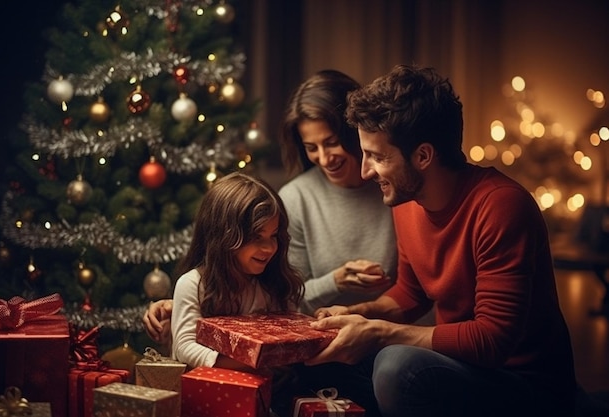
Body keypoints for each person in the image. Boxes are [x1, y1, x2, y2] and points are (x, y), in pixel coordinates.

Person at [305, 64, 577, 417]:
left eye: (377, 156)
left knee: (396, 366)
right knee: (319, 355)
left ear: (423, 156)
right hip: (462, 366)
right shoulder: (407, 200)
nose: (365, 171)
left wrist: (380, 333)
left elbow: (491, 341)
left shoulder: (502, 205)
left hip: (525, 385)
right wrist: (357, 315)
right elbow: (411, 293)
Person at [143, 70, 398, 343]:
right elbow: (282, 298)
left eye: (332, 143)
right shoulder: (296, 198)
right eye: (311, 147)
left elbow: (416, 292)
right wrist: (335, 281)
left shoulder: (395, 189)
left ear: (356, 131)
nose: (324, 159)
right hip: (327, 346)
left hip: (393, 336)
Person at [169, 171, 304, 372]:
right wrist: (252, 362)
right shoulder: (193, 284)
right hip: (210, 392)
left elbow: (292, 339)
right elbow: (184, 347)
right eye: (257, 237)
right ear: (224, 237)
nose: (269, 248)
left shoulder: (271, 284)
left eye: (274, 236)